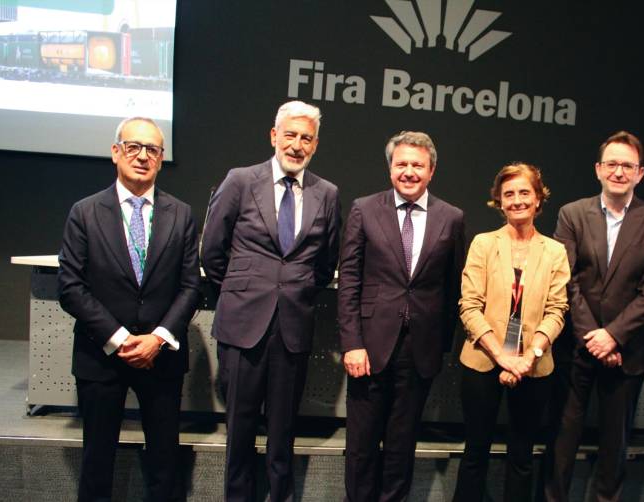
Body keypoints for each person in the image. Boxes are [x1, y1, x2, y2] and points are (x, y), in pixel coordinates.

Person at [201, 101, 341, 501]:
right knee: (240, 433)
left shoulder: (327, 193)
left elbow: (325, 262)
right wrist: (244, 289)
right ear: (274, 135)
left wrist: (292, 292)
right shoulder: (241, 180)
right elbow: (212, 252)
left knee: (283, 435)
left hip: (292, 330)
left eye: (307, 138)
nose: (297, 145)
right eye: (291, 135)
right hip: (243, 326)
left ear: (315, 145)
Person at [58, 117, 201, 501]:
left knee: (164, 463)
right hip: (101, 355)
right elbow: (70, 287)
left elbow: (191, 287)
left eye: (152, 149)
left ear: (161, 158)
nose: (142, 156)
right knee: (98, 462)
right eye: (134, 147)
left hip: (162, 356)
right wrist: (121, 338)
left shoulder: (182, 214)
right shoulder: (84, 213)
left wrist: (157, 338)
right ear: (116, 152)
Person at [543, 131, 644, 502]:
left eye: (627, 166)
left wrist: (613, 336)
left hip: (627, 350)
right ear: (598, 169)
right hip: (578, 346)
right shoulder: (572, 214)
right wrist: (593, 337)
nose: (619, 172)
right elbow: (565, 280)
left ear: (640, 173)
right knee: (563, 437)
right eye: (612, 164)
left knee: (615, 443)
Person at [338, 130, 465, 502]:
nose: (409, 171)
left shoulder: (452, 218)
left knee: (401, 444)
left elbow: (453, 285)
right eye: (402, 164)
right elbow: (350, 280)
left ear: (431, 171)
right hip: (368, 348)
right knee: (361, 445)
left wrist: (440, 345)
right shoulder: (364, 208)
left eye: (417, 165)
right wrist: (352, 344)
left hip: (419, 350)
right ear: (390, 167)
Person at [452, 163, 570, 502]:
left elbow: (557, 309)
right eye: (509, 194)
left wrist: (528, 356)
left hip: (534, 367)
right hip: (483, 362)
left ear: (537, 200)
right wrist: (502, 356)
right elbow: (469, 306)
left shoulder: (554, 251)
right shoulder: (483, 244)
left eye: (524, 193)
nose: (517, 200)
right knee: (476, 452)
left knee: (522, 456)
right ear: (499, 202)